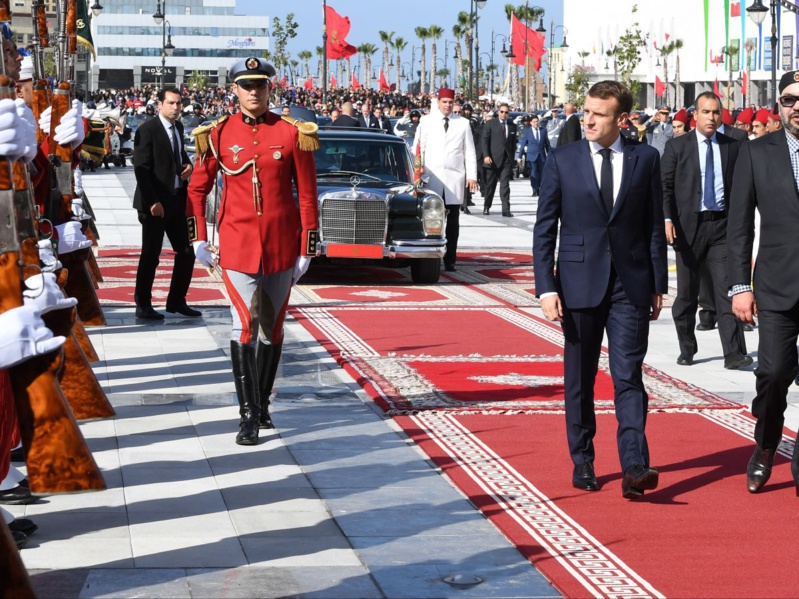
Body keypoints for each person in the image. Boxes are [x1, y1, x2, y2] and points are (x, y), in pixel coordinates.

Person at [534, 80, 667, 500]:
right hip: (576, 284)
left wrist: (658, 283)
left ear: (621, 119)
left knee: (628, 375)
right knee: (581, 376)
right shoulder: (563, 159)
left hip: (630, 285)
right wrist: (545, 288)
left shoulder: (645, 159)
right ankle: (583, 458)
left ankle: (634, 465)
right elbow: (545, 229)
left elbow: (652, 226)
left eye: (599, 114)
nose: (588, 119)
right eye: (586, 111)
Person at [187, 57, 319, 446]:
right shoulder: (217, 134)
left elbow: (308, 194)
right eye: (246, 85)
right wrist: (197, 239)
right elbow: (197, 189)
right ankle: (247, 416)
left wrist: (308, 246)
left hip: (281, 245)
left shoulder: (293, 132)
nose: (254, 92)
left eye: (260, 85)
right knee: (243, 326)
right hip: (237, 245)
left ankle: (262, 406)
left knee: (273, 329)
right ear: (235, 90)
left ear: (269, 88)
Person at [728, 70, 799, 495]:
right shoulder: (757, 153)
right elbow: (738, 227)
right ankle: (767, 444)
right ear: (779, 106)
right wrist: (740, 286)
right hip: (775, 285)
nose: (798, 107)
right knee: (773, 373)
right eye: (790, 99)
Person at [661, 91, 750, 369]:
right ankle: (687, 348)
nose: (711, 117)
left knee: (727, 290)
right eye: (706, 112)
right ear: (695, 116)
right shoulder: (678, 147)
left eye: (716, 112)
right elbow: (664, 187)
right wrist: (666, 219)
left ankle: (734, 353)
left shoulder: (733, 144)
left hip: (722, 227)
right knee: (687, 294)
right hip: (689, 229)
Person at [132, 86, 199, 320]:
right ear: (159, 104)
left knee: (186, 251)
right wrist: (152, 201)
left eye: (179, 103)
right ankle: (143, 304)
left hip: (176, 201)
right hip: (154, 204)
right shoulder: (147, 130)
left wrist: (188, 165)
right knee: (151, 255)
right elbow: (141, 170)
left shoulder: (178, 127)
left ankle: (177, 300)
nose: (176, 107)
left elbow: (179, 156)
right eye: (171, 103)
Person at [413, 88, 477, 272]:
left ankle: (451, 259)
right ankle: (428, 257)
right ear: (438, 102)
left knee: (453, 221)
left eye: (450, 102)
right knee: (430, 219)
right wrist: (416, 173)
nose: (447, 105)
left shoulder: (463, 123)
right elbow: (418, 149)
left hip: (454, 178)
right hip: (430, 177)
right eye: (444, 102)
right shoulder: (426, 121)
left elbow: (469, 151)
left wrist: (471, 175)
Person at [480, 102, 517, 216]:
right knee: (490, 185)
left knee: (505, 186)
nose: (504, 114)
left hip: (505, 160)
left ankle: (506, 210)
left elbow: (513, 143)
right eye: (502, 112)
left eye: (506, 112)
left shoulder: (512, 126)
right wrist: (486, 156)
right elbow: (484, 141)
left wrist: (513, 157)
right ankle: (487, 206)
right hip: (492, 160)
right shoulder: (491, 124)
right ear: (498, 112)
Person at [516, 113, 550, 196]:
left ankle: (540, 188)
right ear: (531, 123)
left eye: (537, 121)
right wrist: (519, 156)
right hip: (532, 156)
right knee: (533, 173)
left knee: (542, 173)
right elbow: (523, 144)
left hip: (541, 156)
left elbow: (547, 144)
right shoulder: (527, 131)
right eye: (534, 122)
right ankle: (535, 189)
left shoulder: (543, 131)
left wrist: (551, 155)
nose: (536, 123)